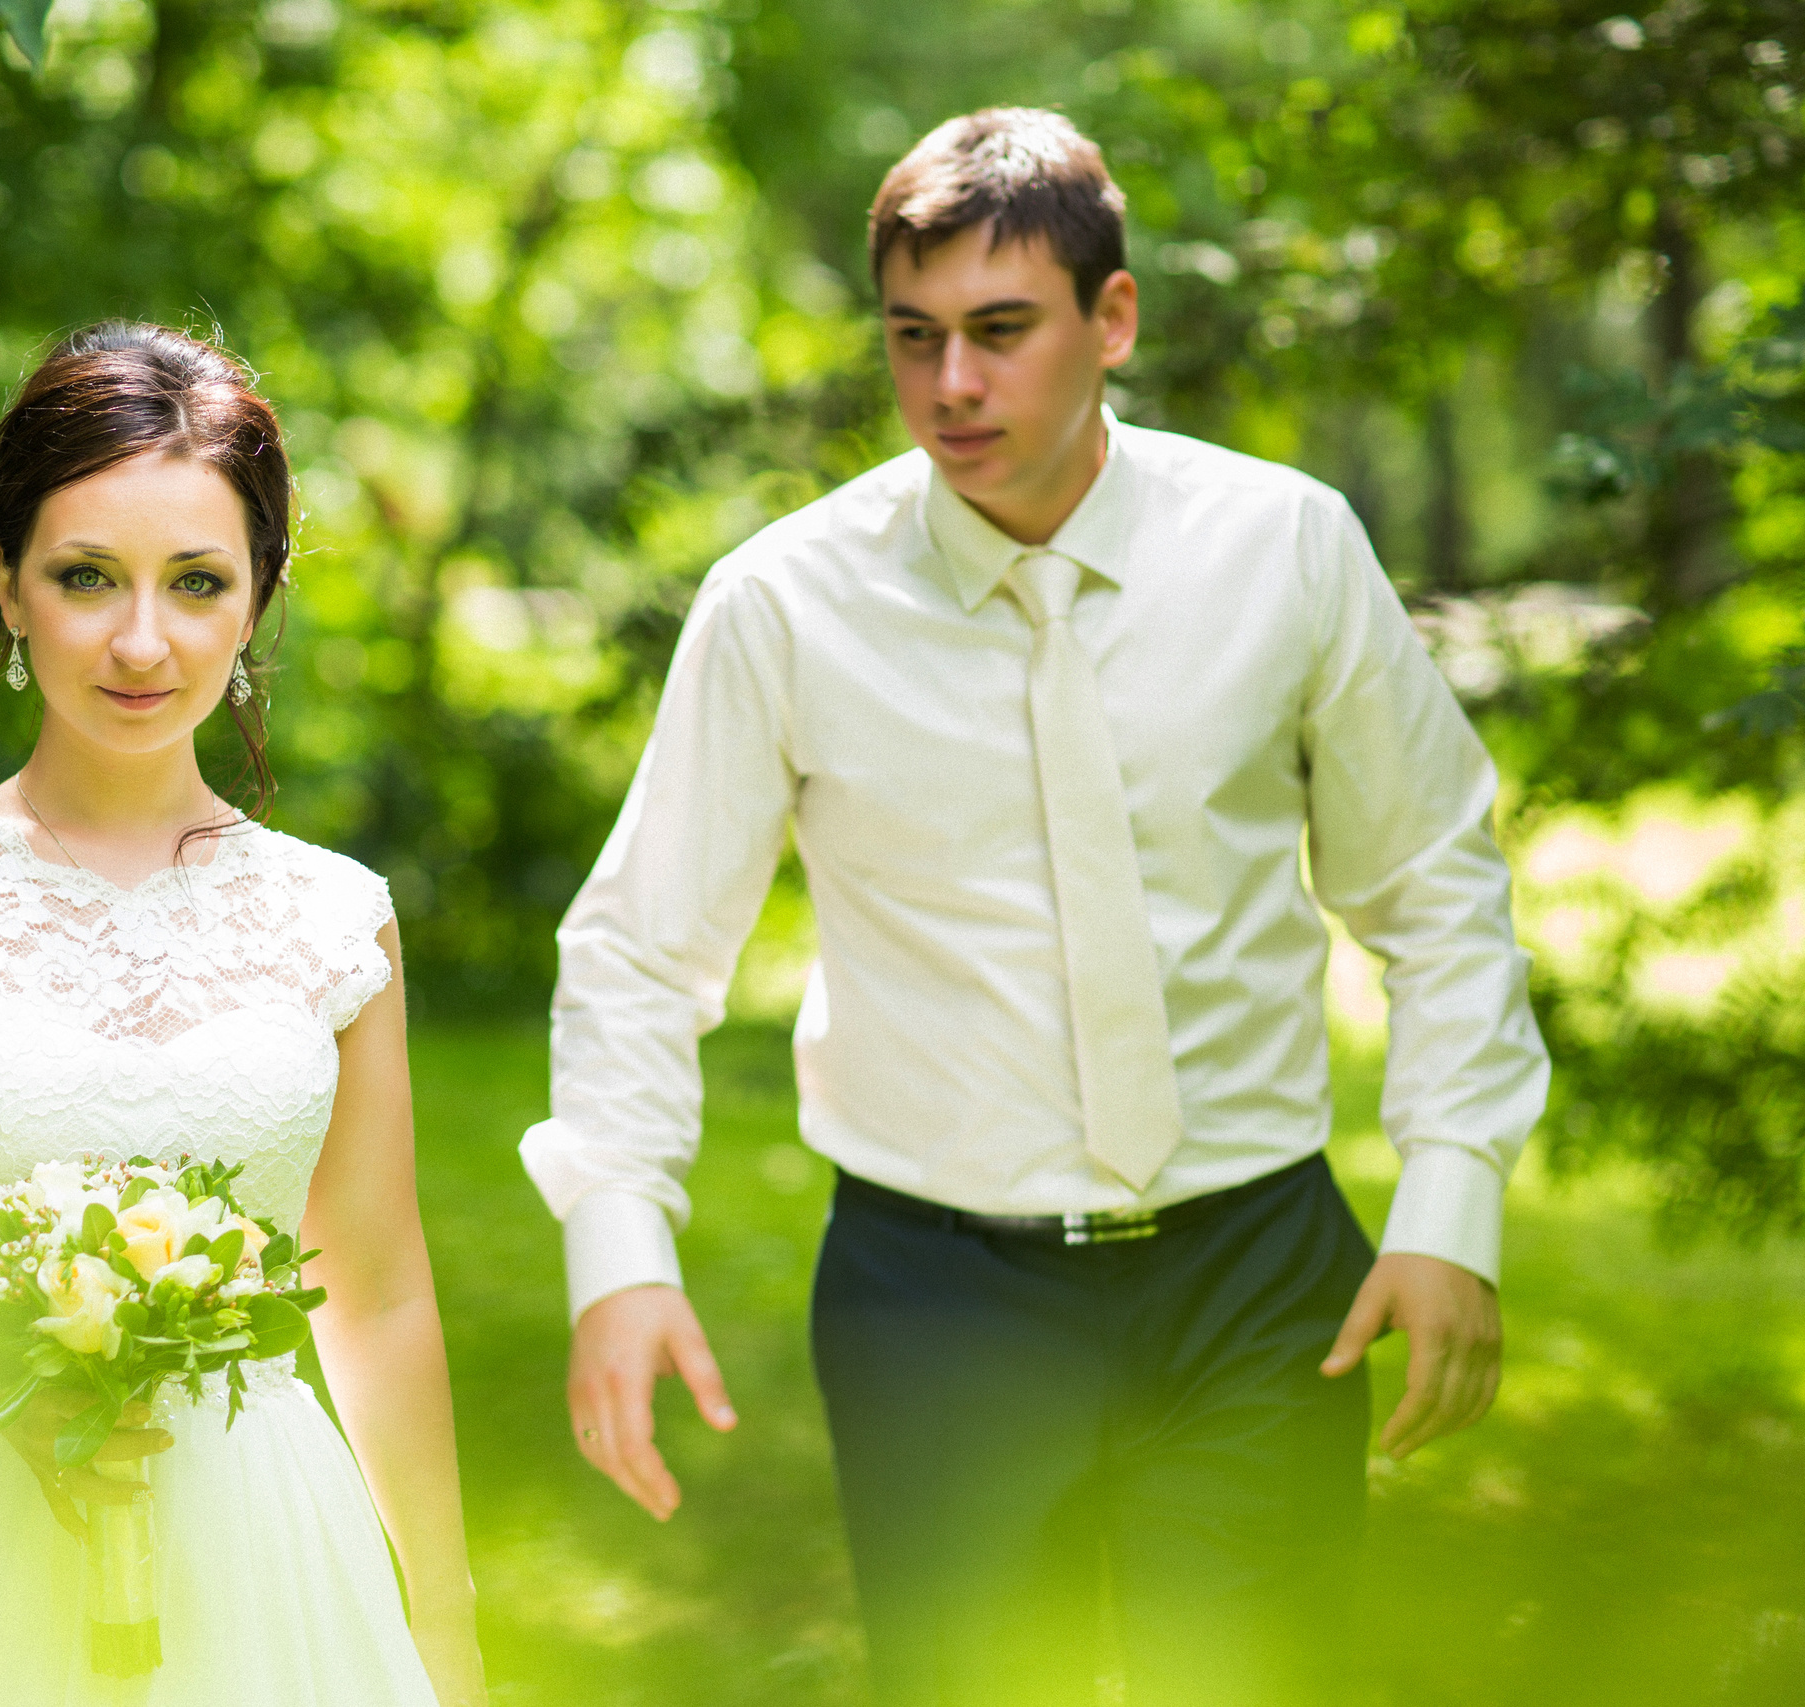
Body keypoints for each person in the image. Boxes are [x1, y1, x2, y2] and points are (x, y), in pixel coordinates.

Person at [522, 109, 1547, 1707]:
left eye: (1002, 333)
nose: (952, 388)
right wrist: (619, 1249)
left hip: (1258, 1277)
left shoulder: (1284, 548)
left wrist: (1452, 1200)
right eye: (915, 339)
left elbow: (1433, 880)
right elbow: (642, 953)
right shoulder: (786, 605)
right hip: (940, 1299)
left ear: (1111, 320)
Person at [0, 321, 488, 1707]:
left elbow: (374, 1285)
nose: (143, 640)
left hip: (263, 1550)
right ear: (8, 584)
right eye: (86, 578)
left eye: (197, 582)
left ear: (256, 600)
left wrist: (442, 1624)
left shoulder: (336, 917)